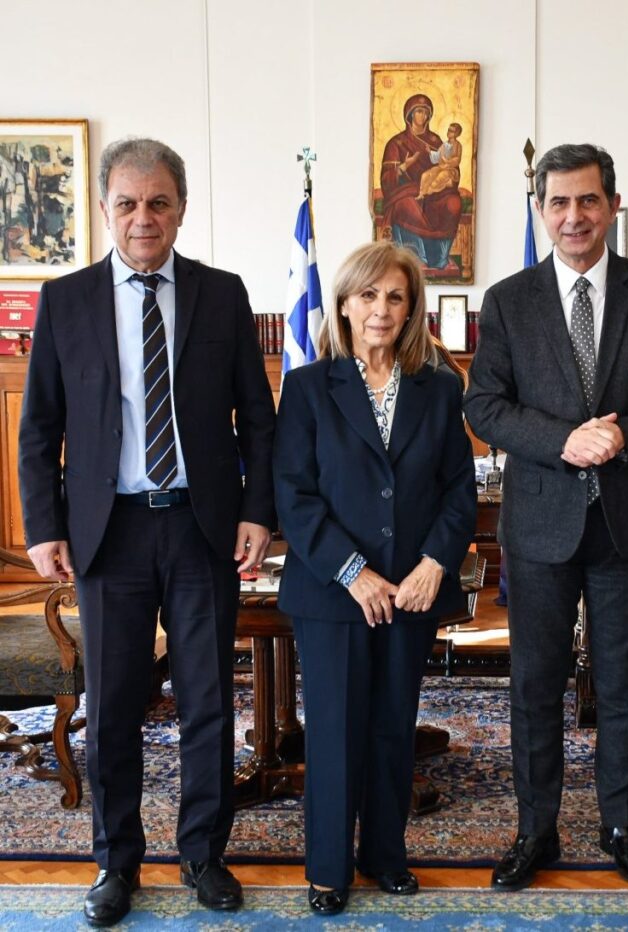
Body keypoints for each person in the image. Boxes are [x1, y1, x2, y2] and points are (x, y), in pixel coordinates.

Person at [18, 137, 276, 927]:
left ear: (182, 209)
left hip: (202, 527)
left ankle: (203, 855)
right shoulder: (66, 300)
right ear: (105, 209)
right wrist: (43, 525)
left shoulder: (222, 295)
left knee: (207, 702)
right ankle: (116, 862)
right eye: (127, 203)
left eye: (158, 202)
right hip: (109, 533)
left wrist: (257, 510)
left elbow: (257, 420)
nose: (143, 218)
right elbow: (39, 429)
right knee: (113, 707)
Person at [464, 143, 628, 890]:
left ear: (613, 206)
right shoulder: (508, 299)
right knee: (535, 684)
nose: (574, 216)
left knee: (623, 682)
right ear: (540, 209)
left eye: (588, 200)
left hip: (627, 520)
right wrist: (564, 440)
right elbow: (485, 405)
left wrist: (624, 434)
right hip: (540, 524)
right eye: (559, 202)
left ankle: (619, 824)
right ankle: (535, 829)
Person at [273, 241, 476, 915]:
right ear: (343, 305)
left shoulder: (439, 388)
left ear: (412, 307)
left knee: (394, 727)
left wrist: (434, 564)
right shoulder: (308, 387)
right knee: (334, 732)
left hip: (413, 588)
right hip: (334, 593)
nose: (381, 309)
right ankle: (328, 869)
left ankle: (385, 854)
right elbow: (294, 495)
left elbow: (458, 490)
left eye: (395, 296)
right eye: (368, 295)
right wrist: (353, 572)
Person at [379, 94, 463, 270]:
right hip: (405, 192)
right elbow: (387, 179)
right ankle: (416, 259)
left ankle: (440, 259)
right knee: (408, 206)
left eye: (426, 112)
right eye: (418, 111)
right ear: (409, 114)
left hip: (433, 190)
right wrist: (404, 166)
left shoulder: (435, 140)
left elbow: (446, 164)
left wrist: (451, 176)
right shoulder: (396, 143)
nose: (423, 116)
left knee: (454, 202)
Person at [417, 123, 463, 200]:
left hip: (450, 170)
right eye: (448, 130)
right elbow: (438, 156)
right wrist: (429, 151)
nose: (448, 132)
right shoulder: (444, 145)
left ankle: (427, 193)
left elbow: (457, 159)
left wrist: (447, 161)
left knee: (439, 177)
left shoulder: (458, 145)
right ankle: (421, 193)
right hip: (441, 167)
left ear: (456, 134)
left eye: (451, 131)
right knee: (426, 175)